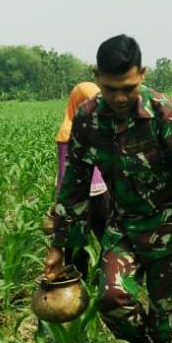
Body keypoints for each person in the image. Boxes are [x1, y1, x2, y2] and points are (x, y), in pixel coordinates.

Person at [44, 35, 172, 343]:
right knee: (110, 298)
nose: (119, 97)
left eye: (128, 87)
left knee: (169, 318)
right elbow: (74, 185)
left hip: (171, 229)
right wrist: (59, 246)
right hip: (124, 228)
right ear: (96, 76)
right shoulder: (87, 120)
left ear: (142, 74)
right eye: (110, 87)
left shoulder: (166, 115)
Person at [53, 81, 109, 278]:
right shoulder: (69, 131)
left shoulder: (91, 125)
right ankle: (81, 282)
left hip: (97, 192)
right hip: (83, 195)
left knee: (104, 238)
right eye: (89, 101)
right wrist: (61, 200)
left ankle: (96, 277)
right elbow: (65, 171)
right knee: (79, 241)